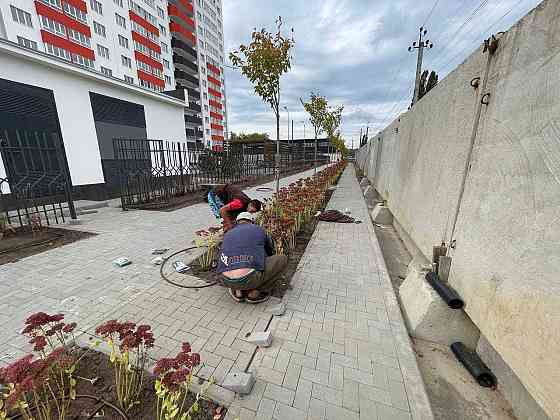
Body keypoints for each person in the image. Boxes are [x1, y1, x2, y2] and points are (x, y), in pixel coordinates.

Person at [216, 212, 288, 303]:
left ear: (237, 222)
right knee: (282, 259)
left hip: (225, 279)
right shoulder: (259, 229)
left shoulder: (228, 233)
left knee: (234, 266)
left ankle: (238, 292)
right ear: (252, 221)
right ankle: (256, 292)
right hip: (250, 279)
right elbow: (269, 250)